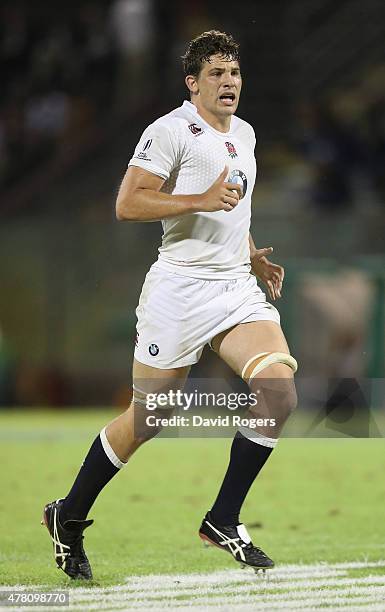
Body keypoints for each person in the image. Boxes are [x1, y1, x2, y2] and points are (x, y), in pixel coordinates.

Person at [42, 30, 297, 580]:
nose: (228, 83)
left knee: (278, 391)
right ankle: (70, 515)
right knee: (150, 418)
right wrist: (197, 199)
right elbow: (127, 202)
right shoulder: (170, 130)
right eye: (216, 75)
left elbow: (232, 209)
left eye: (233, 73)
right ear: (193, 83)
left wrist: (251, 255)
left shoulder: (246, 133)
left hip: (233, 288)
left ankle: (223, 518)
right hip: (178, 290)